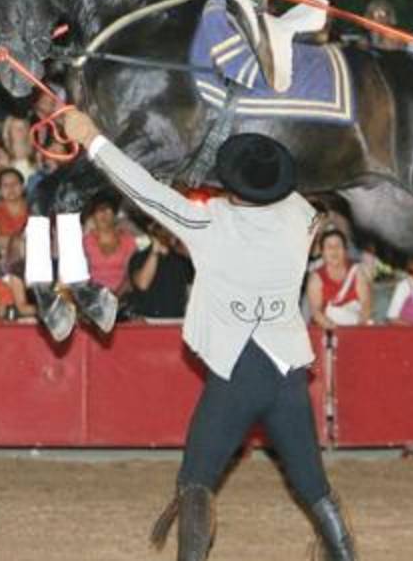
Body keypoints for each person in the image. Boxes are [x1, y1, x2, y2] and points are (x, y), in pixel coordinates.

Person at [60, 110, 356, 560]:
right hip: (288, 372)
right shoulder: (304, 217)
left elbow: (144, 192)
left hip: (237, 371)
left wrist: (93, 139)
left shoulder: (210, 222)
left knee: (196, 480)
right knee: (314, 485)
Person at [126, 220, 195, 319]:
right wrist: (154, 252)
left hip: (175, 321)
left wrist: (182, 245)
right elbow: (142, 284)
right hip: (147, 321)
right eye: (162, 228)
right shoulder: (140, 256)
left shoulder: (180, 258)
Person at [306, 228, 370, 328]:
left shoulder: (357, 272)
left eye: (338, 245)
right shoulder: (316, 278)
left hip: (355, 328)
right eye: (329, 246)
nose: (334, 250)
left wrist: (358, 329)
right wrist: (335, 331)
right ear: (322, 252)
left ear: (345, 250)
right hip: (325, 331)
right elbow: (316, 312)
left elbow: (366, 305)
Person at [82, 190, 137, 298]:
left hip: (122, 297)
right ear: (92, 216)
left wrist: (116, 297)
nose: (103, 213)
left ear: (114, 214)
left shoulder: (128, 240)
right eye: (98, 210)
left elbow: (130, 276)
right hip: (92, 298)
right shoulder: (86, 240)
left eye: (107, 209)